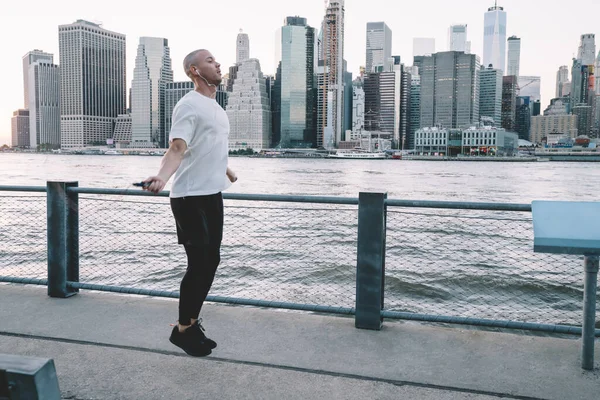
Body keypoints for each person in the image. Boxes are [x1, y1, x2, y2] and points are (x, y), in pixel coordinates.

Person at [142, 49, 237, 357]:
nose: (218, 64)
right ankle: (183, 330)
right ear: (194, 70)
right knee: (198, 265)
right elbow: (178, 147)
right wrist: (161, 177)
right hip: (189, 197)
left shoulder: (216, 109)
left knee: (212, 262)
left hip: (212, 194)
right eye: (210, 61)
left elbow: (206, 146)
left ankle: (190, 325)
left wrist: (226, 169)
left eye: (216, 60)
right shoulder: (188, 104)